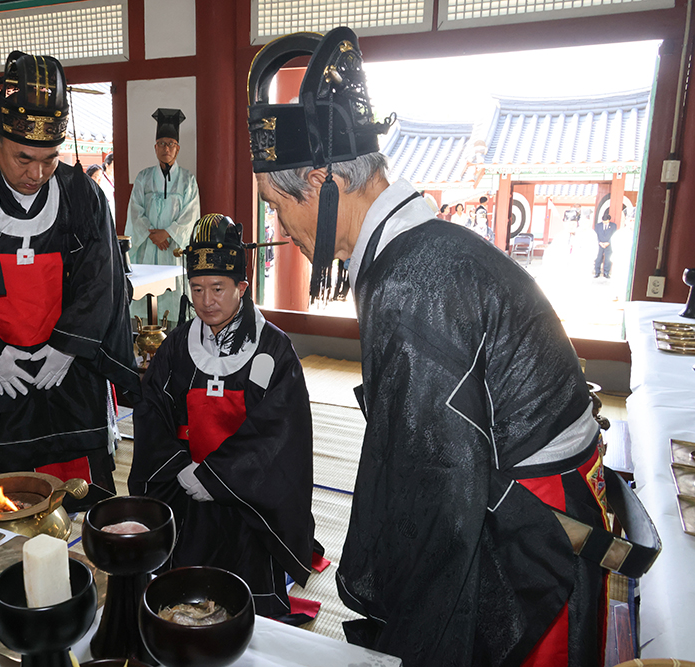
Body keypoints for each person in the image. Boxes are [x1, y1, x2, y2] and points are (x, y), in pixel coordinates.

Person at [247, 27, 655, 666]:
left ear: (325, 182)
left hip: (529, 528)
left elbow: (438, 492)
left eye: (275, 205)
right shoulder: (418, 251)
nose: (278, 227)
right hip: (539, 496)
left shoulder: (414, 283)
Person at [0, 51, 138, 504]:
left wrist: (68, 345)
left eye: (50, 159)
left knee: (84, 489)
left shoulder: (82, 195)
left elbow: (102, 279)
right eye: (24, 158)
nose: (37, 173)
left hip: (69, 366)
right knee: (8, 495)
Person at [128, 213, 316, 620]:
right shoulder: (177, 346)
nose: (206, 301)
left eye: (218, 288)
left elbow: (280, 434)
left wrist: (218, 476)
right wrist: (180, 468)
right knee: (178, 588)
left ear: (242, 288)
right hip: (184, 481)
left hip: (249, 497)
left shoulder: (274, 350)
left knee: (249, 590)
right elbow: (151, 413)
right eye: (196, 289)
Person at [125, 109, 200, 325]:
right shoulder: (144, 177)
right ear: (155, 148)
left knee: (175, 302)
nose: (166, 148)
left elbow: (191, 214)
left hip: (173, 249)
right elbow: (135, 210)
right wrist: (153, 234)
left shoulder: (187, 180)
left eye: (170, 144)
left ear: (177, 149)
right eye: (162, 144)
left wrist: (167, 233)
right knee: (147, 304)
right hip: (149, 247)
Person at [594, 210, 617, 278]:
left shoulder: (613, 226)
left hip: (608, 244)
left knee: (608, 259)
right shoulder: (598, 226)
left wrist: (608, 242)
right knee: (598, 258)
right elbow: (596, 235)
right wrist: (599, 242)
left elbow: (614, 235)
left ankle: (606, 272)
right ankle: (597, 272)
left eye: (606, 221)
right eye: (604, 222)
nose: (605, 223)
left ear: (609, 220)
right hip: (600, 244)